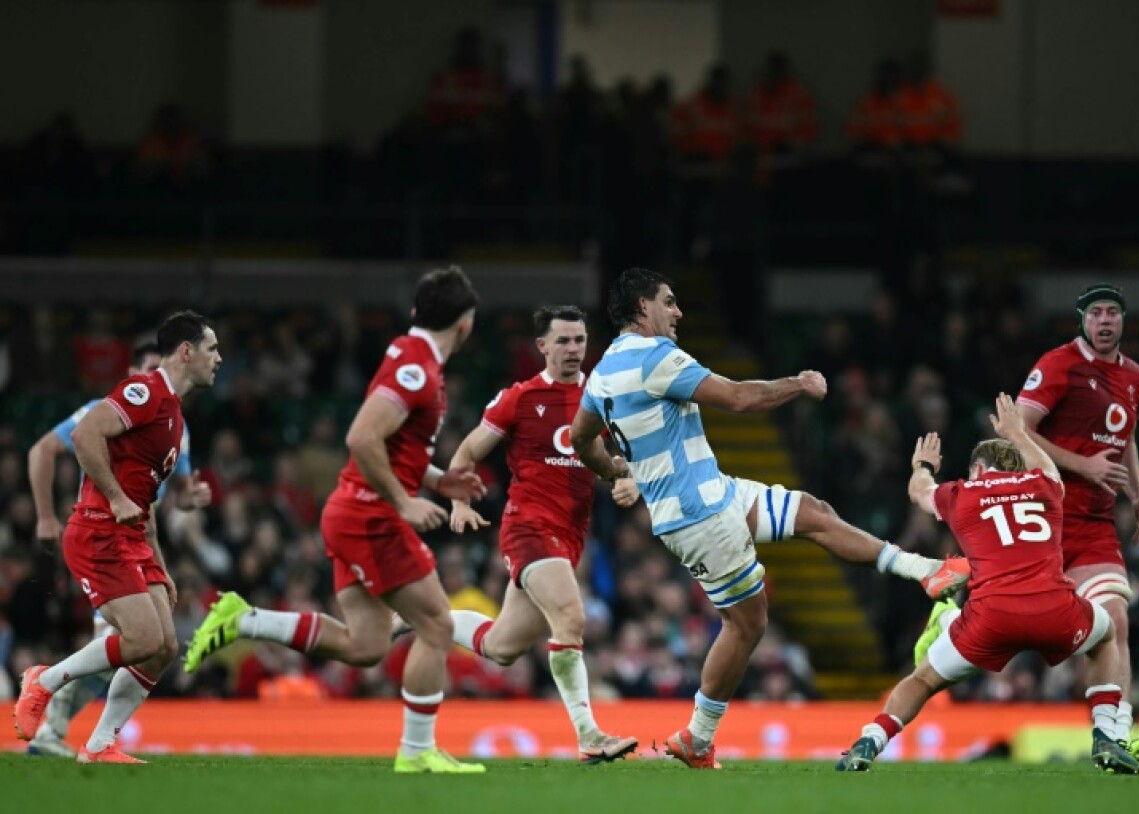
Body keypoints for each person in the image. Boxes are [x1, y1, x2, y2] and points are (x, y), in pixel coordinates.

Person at [569, 268, 970, 770]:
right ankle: (698, 737)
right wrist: (798, 383)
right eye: (668, 302)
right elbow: (739, 398)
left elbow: (580, 437)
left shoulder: (601, 372)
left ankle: (926, 570)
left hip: (714, 494)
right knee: (747, 623)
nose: (678, 311)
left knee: (813, 513)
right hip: (700, 515)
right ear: (642, 307)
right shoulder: (655, 356)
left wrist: (614, 470)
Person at [183, 267, 489, 774]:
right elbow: (361, 438)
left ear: (417, 311)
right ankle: (417, 751)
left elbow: (394, 448)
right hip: (370, 516)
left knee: (366, 646)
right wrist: (404, 501)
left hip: (351, 513)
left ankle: (244, 620)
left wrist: (438, 482)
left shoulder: (411, 357)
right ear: (465, 324)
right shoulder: (416, 367)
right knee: (436, 622)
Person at [835, 394, 1139, 775]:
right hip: (1055, 609)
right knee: (1107, 636)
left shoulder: (962, 493)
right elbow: (1048, 467)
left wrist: (923, 466)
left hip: (992, 617)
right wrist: (1018, 433)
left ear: (979, 468)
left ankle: (869, 741)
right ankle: (1106, 736)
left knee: (923, 680)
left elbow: (918, 491)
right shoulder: (1045, 486)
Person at [14, 310, 222, 763]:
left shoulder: (174, 415)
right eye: (212, 348)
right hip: (98, 531)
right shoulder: (145, 391)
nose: (219, 358)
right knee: (143, 639)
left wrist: (160, 568)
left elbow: (145, 503)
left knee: (164, 648)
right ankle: (43, 682)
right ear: (187, 351)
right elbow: (85, 435)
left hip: (133, 538)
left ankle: (99, 745)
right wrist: (114, 496)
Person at [443, 305, 638, 763]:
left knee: (502, 647)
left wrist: (627, 479)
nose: (573, 349)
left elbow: (623, 460)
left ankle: (422, 617)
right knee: (570, 616)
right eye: (563, 341)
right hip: (528, 527)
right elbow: (466, 453)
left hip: (569, 537)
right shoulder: (520, 398)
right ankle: (589, 735)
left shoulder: (602, 399)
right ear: (542, 346)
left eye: (579, 340)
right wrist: (458, 502)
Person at [1015, 283, 1139, 762]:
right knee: (1004, 633)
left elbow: (1127, 437)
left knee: (1116, 618)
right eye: (1096, 312)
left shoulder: (1135, 376)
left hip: (1095, 526)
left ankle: (1114, 736)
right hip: (1044, 520)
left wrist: (1137, 495)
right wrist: (1083, 465)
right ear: (1082, 319)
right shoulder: (1059, 364)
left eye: (1112, 313)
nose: (1104, 320)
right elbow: (1017, 431)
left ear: (1123, 321)